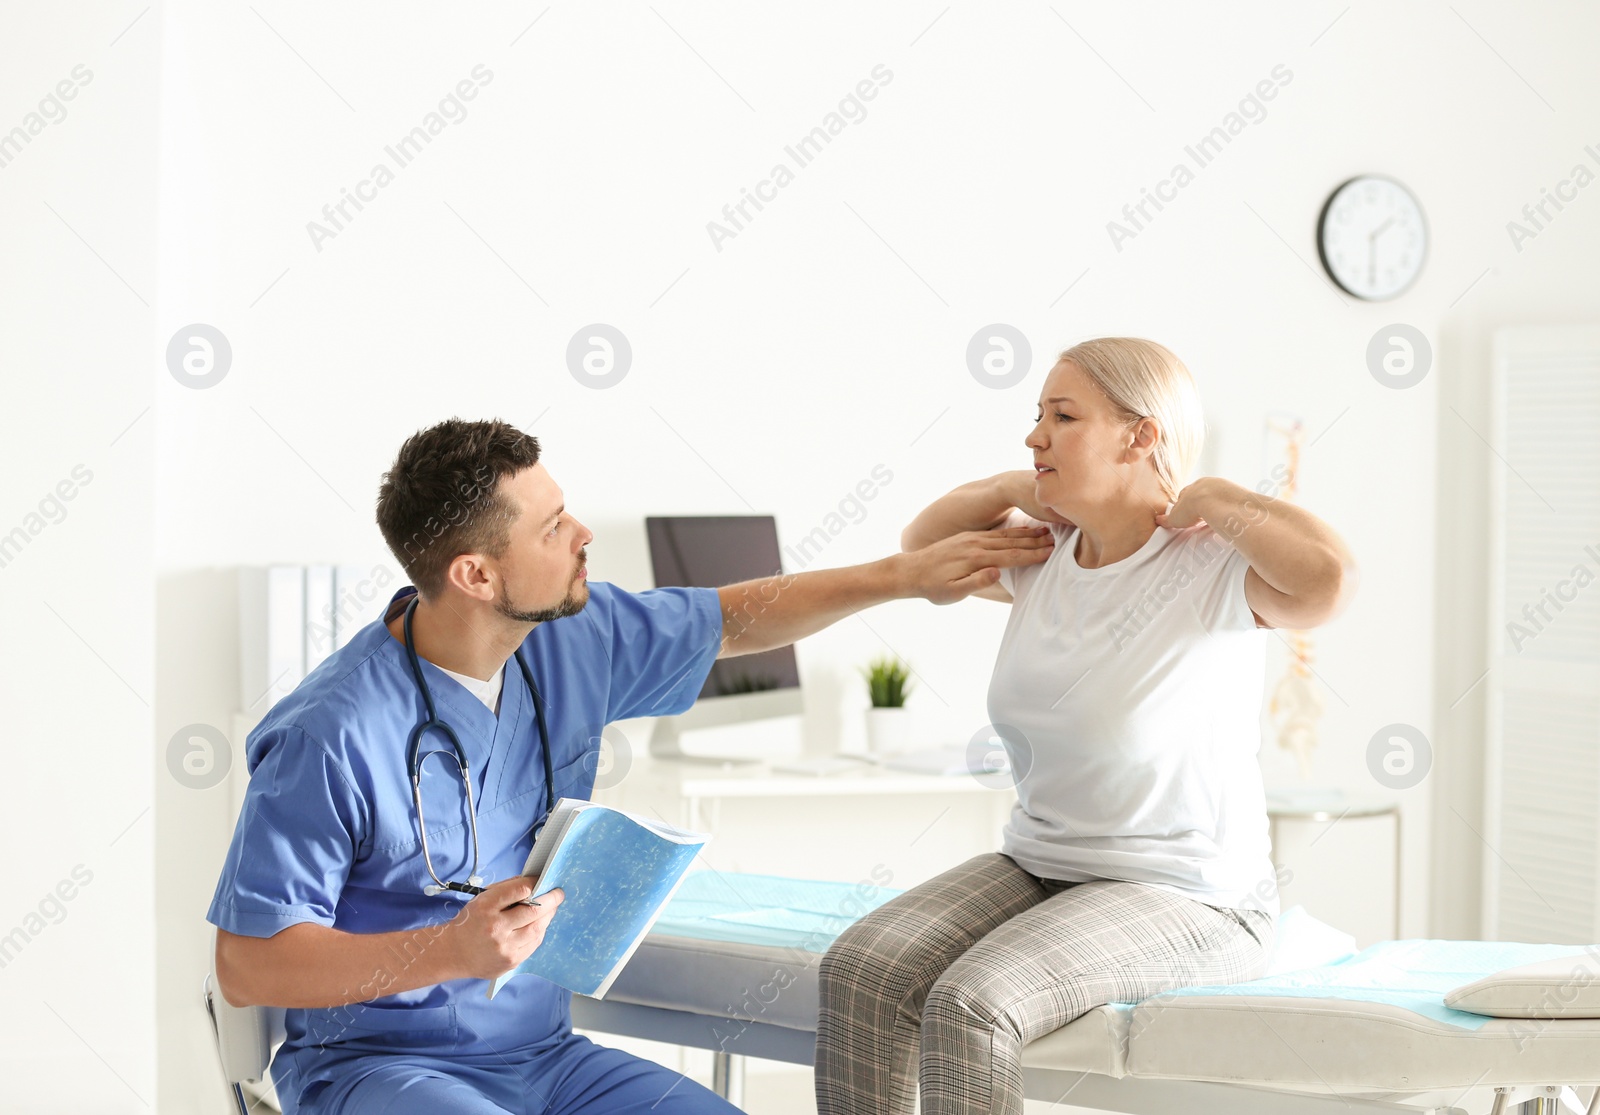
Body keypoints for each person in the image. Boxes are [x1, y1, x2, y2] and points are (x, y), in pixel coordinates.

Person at [207, 417, 1056, 1115]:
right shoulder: (330, 733)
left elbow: (734, 621)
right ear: (474, 573)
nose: (582, 535)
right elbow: (248, 965)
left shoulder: (567, 638)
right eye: (551, 528)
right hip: (374, 1070)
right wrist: (450, 950)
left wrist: (903, 575)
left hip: (543, 1059)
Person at [814, 337, 1359, 1115]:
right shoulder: (1043, 557)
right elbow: (924, 548)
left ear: (1141, 436)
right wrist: (1011, 485)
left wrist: (1215, 498)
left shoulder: (1212, 569)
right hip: (1043, 864)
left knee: (972, 1002)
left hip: (1192, 896)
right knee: (860, 968)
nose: (1036, 435)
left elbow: (1330, 579)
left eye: (1062, 416)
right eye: (1035, 416)